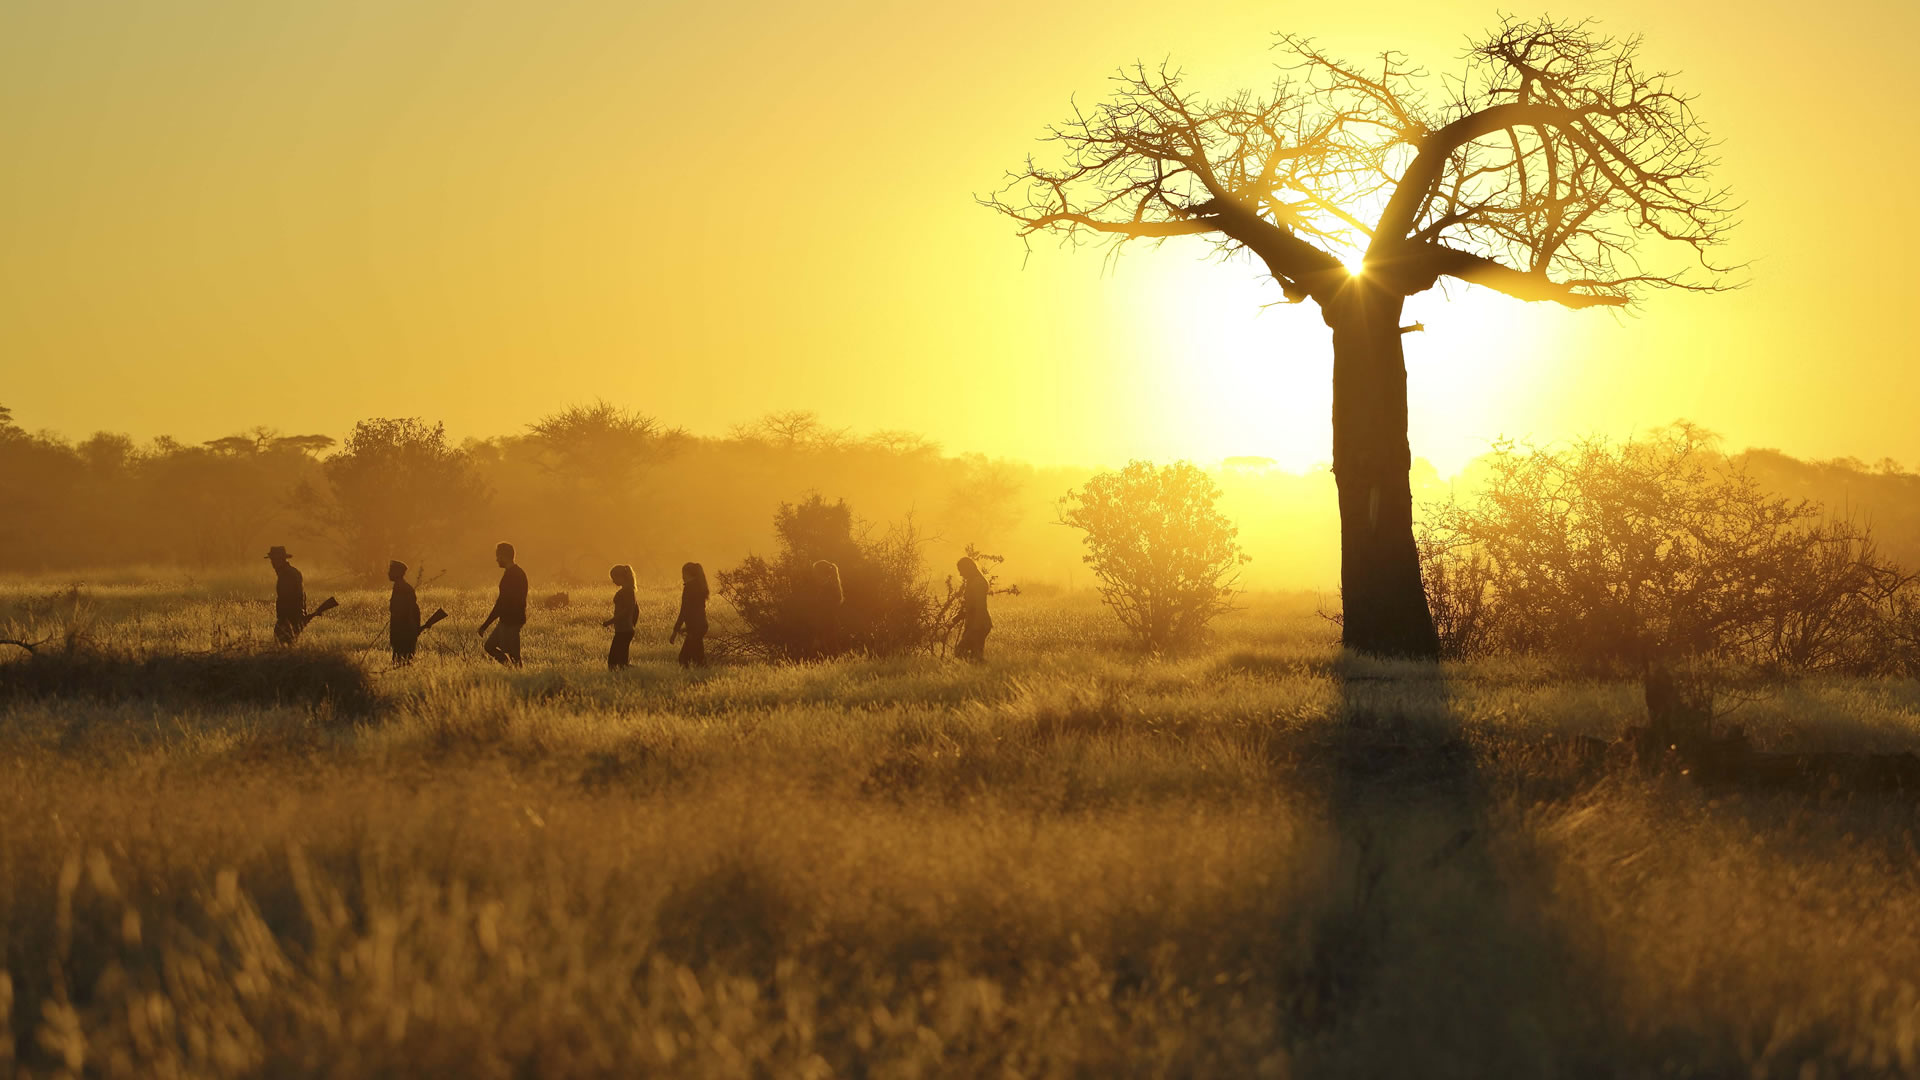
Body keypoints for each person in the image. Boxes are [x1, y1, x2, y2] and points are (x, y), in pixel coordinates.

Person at [477, 541, 528, 667]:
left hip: (512, 621)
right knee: (489, 646)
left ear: (504, 556)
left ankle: (517, 675)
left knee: (514, 656)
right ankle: (510, 669)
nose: (496, 559)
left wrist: (485, 625)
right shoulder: (514, 573)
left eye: (498, 556)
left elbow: (501, 604)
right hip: (507, 620)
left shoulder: (513, 575)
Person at [669, 562, 710, 668]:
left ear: (689, 574)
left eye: (683, 574)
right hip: (701, 626)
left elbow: (684, 611)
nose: (682, 577)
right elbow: (696, 611)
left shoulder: (689, 588)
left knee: (683, 658)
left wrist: (675, 630)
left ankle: (690, 681)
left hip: (695, 628)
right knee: (698, 658)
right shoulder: (700, 587)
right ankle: (701, 679)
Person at [955, 555, 992, 662]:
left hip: (979, 624)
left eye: (961, 570)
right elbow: (969, 605)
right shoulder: (973, 581)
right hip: (976, 624)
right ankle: (980, 673)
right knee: (975, 655)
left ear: (968, 568)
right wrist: (957, 618)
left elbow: (980, 606)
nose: (960, 574)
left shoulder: (978, 583)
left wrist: (975, 628)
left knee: (960, 651)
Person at [266, 545, 305, 646]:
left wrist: (284, 621)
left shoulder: (286, 575)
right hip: (295, 618)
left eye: (274, 560)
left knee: (281, 648)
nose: (272, 563)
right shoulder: (293, 571)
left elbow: (286, 599)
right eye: (272, 560)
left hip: (288, 619)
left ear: (281, 560)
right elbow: (302, 596)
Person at [808, 559, 844, 658]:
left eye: (816, 573)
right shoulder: (830, 587)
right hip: (831, 624)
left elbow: (824, 613)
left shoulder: (827, 590)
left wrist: (818, 635)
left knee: (830, 654)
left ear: (822, 573)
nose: (814, 576)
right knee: (832, 653)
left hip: (827, 626)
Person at [604, 564, 637, 669]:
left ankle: (640, 676)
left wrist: (610, 621)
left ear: (622, 577)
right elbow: (635, 610)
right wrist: (632, 625)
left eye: (614, 578)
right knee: (620, 662)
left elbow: (627, 610)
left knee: (614, 663)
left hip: (624, 631)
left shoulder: (627, 591)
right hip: (624, 630)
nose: (613, 581)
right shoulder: (628, 590)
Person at [388, 559, 421, 664]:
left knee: (402, 663)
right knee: (400, 663)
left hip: (403, 634)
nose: (388, 573)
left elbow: (411, 612)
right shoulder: (400, 588)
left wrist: (414, 629)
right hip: (402, 633)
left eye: (391, 570)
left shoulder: (404, 589)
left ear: (397, 573)